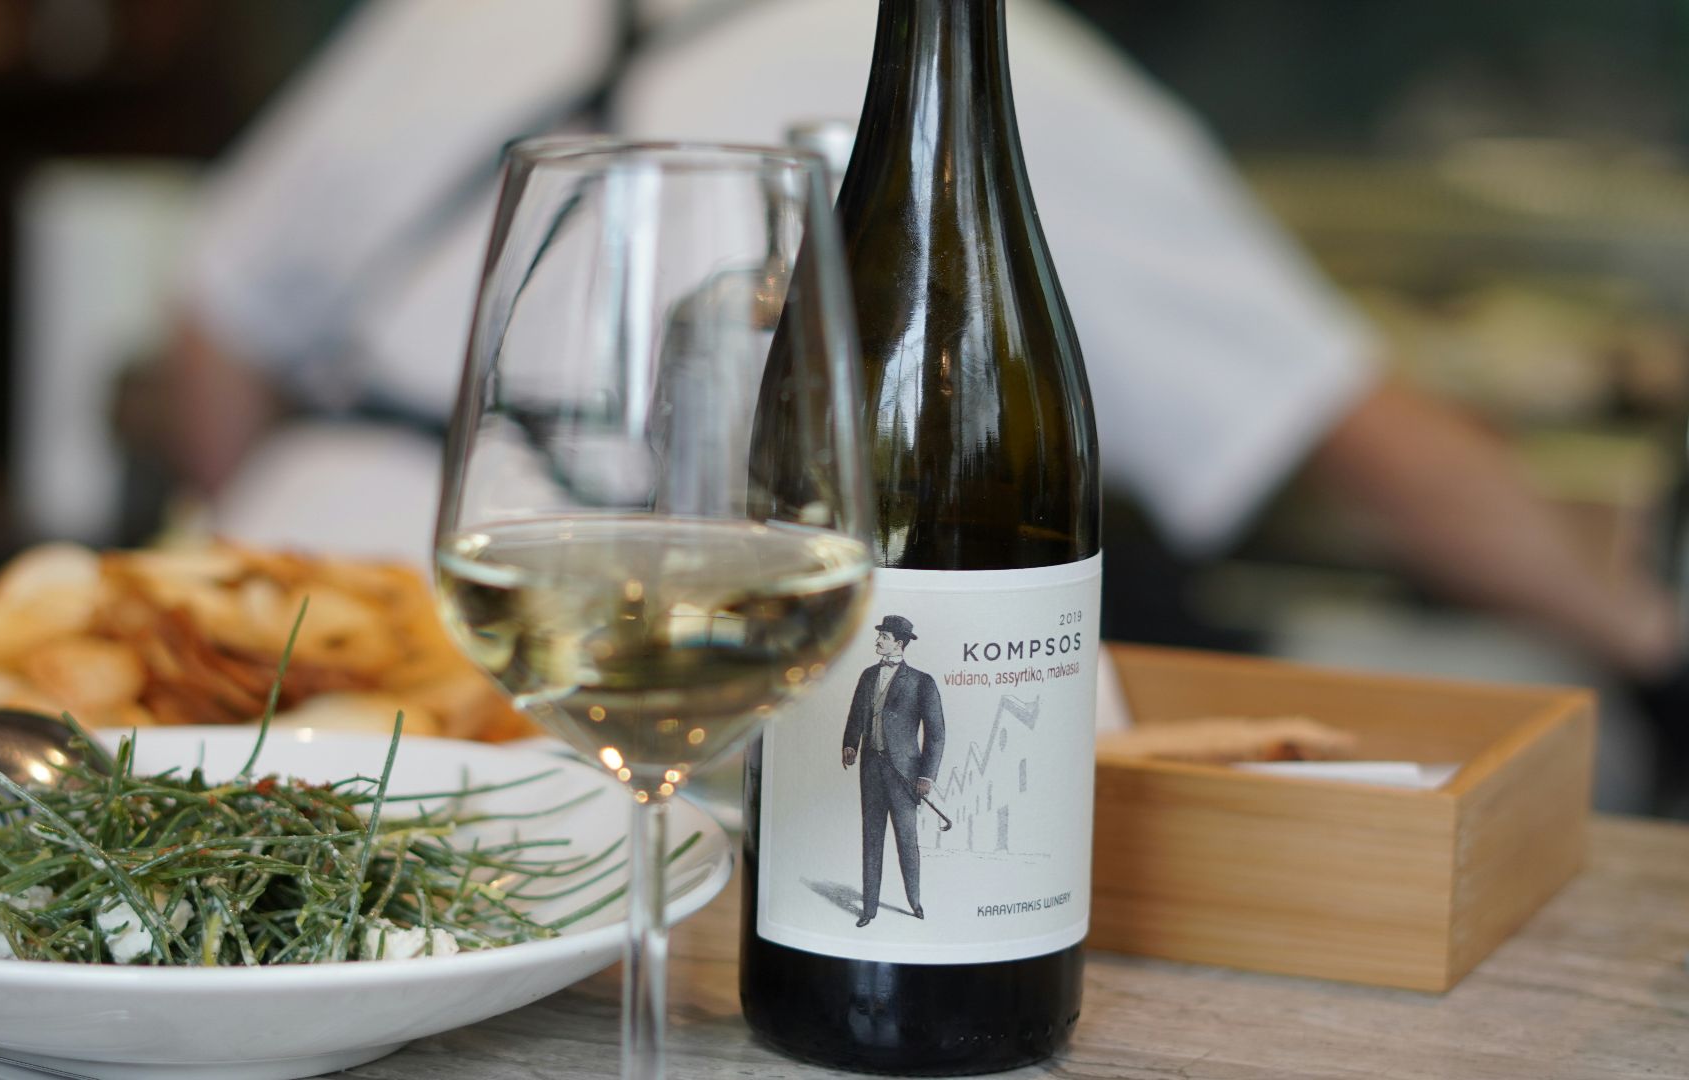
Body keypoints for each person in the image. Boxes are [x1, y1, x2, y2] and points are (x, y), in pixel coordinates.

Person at [167, 0, 1685, 809]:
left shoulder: (464, 14)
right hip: (567, 692)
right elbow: (1370, 437)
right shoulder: (1038, 86)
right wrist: (1647, 638)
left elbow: (211, 337)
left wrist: (260, 580)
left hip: (254, 623)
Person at [840, 616, 945, 928]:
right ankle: (869, 909)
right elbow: (856, 714)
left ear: (899, 643)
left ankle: (914, 903)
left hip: (905, 775)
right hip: (871, 768)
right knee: (871, 839)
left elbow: (936, 734)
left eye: (883, 637)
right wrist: (850, 744)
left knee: (907, 841)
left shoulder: (921, 682)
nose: (878, 642)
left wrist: (926, 776)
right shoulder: (868, 675)